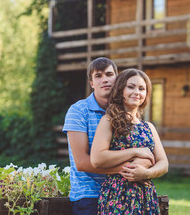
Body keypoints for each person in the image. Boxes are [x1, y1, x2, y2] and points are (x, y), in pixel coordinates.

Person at [63, 58, 154, 215]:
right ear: (91, 83)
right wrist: (132, 170)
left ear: (118, 79)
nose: (104, 79)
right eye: (98, 76)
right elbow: (82, 163)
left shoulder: (127, 114)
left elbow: (150, 157)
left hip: (124, 191)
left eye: (109, 74)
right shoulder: (78, 111)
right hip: (89, 194)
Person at [91, 68, 169, 214]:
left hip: (145, 195)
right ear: (121, 90)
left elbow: (164, 164)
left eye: (142, 88)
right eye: (131, 87)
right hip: (117, 195)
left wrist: (147, 173)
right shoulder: (109, 121)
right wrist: (135, 151)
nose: (137, 92)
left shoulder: (149, 127)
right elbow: (97, 159)